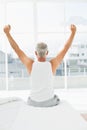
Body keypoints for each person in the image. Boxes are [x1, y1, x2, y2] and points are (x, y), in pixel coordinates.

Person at [3, 24, 76, 107]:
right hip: (49, 102)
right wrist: (73, 32)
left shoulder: (30, 64)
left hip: (33, 102)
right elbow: (66, 48)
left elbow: (16, 49)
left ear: (35, 53)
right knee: (56, 98)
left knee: (30, 98)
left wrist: (7, 33)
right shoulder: (52, 64)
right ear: (47, 53)